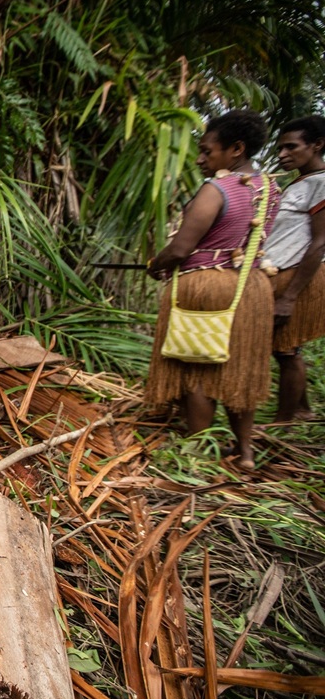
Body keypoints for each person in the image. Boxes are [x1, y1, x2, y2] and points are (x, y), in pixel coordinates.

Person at [144, 110, 281, 470]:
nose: (201, 159)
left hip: (208, 286)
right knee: (241, 369)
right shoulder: (269, 188)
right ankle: (246, 453)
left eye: (208, 151)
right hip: (251, 288)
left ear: (236, 149)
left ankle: (194, 455)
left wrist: (156, 264)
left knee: (198, 371)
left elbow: (179, 249)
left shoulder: (217, 189)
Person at [267, 115, 325, 421]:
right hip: (286, 273)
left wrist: (290, 296)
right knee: (286, 346)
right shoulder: (300, 183)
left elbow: (319, 242)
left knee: (287, 349)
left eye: (291, 147)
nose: (282, 154)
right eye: (280, 148)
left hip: (300, 277)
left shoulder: (322, 182)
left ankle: (283, 422)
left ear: (317, 145)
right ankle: (301, 409)